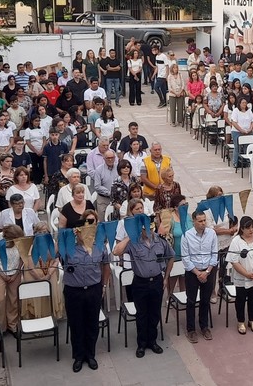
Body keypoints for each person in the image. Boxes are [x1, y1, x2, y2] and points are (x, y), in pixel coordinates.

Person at [113, 211, 173, 358]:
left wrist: (166, 277)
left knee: (154, 313)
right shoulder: (134, 242)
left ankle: (152, 341)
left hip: (157, 281)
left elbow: (171, 257)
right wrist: (130, 235)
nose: (149, 231)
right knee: (141, 314)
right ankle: (141, 344)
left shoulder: (160, 241)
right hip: (140, 282)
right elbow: (116, 251)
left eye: (151, 227)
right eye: (145, 228)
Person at [62, 215, 110, 372]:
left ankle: (90, 355)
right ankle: (78, 356)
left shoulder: (99, 246)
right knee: (76, 324)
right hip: (73, 291)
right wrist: (64, 235)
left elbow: (106, 266)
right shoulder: (67, 247)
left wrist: (104, 285)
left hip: (93, 289)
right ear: (77, 232)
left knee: (92, 324)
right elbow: (52, 254)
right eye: (83, 230)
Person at [226, 216, 253, 334]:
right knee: (240, 299)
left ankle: (252, 320)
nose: (251, 230)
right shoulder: (236, 241)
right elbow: (234, 261)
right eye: (248, 228)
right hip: (242, 278)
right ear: (242, 229)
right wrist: (247, 274)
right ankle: (240, 321)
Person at [181, 210, 217, 343]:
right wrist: (198, 273)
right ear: (193, 222)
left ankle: (204, 326)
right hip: (192, 272)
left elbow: (214, 254)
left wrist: (207, 272)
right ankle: (191, 329)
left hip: (208, 271)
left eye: (204, 220)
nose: (203, 223)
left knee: (205, 300)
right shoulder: (187, 236)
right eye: (200, 221)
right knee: (191, 301)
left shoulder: (212, 234)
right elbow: (185, 258)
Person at [230, 98, 253, 168]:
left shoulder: (249, 111)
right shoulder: (236, 111)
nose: (244, 104)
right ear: (239, 103)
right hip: (237, 131)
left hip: (248, 131)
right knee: (237, 147)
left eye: (245, 103)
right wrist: (241, 130)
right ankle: (235, 162)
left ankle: (246, 161)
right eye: (243, 103)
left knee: (247, 147)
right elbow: (234, 122)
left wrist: (250, 129)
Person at [93, 150, 118, 221]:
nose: (110, 160)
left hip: (117, 199)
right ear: (104, 158)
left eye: (112, 157)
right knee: (103, 221)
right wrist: (109, 193)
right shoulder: (99, 170)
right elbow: (97, 186)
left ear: (115, 158)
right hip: (103, 199)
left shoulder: (119, 168)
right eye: (108, 158)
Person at [24, 115, 46, 184]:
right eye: (36, 121)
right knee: (34, 167)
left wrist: (42, 149)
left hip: (41, 151)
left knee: (42, 166)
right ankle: (36, 182)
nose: (37, 122)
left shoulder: (42, 129)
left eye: (38, 121)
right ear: (32, 121)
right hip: (32, 152)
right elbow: (28, 142)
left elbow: (44, 140)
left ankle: (40, 181)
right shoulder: (28, 130)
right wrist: (36, 151)